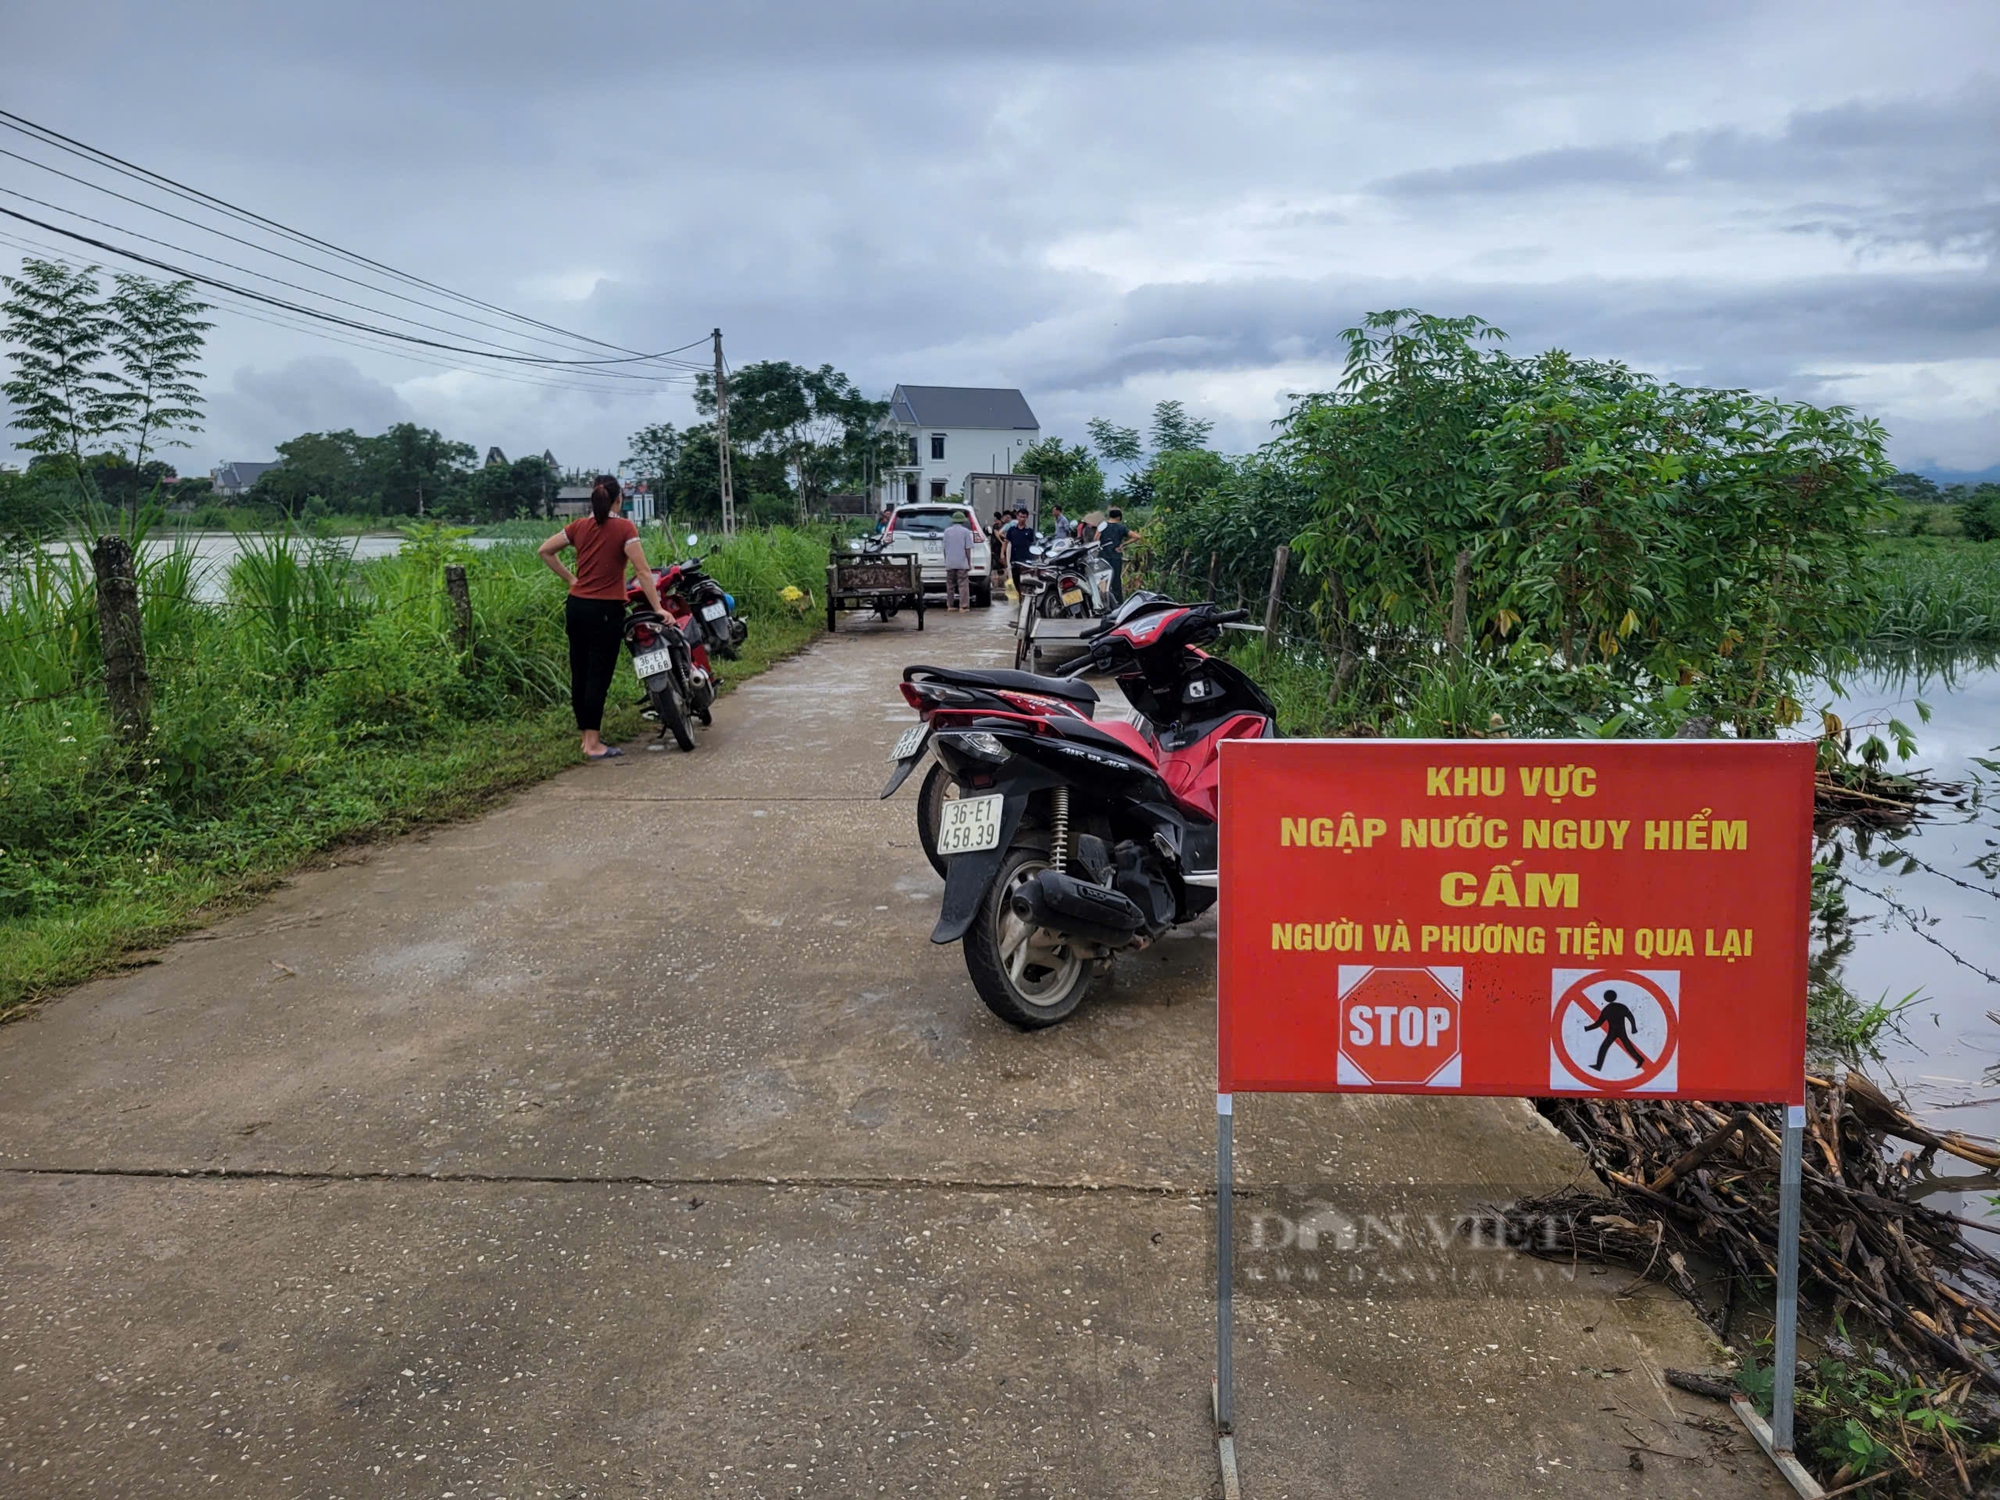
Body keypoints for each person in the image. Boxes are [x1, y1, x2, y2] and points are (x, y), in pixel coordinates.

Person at [538, 475, 666, 761]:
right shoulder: (624, 527)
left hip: (577, 606)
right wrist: (658, 608)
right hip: (605, 611)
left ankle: (587, 738)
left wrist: (572, 579)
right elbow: (643, 572)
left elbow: (545, 551)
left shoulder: (579, 527)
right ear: (618, 499)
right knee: (598, 674)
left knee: (580, 672)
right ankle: (594, 744)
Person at [1584, 989, 1648, 1071]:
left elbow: (1598, 1023)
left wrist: (1587, 1028)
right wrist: (1633, 1028)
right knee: (1626, 1047)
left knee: (1606, 1047)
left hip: (1613, 1032)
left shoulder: (1607, 1009)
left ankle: (1598, 1066)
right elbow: (1630, 1017)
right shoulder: (1621, 1007)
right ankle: (1640, 1059)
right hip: (1619, 1031)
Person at [941, 510, 975, 612]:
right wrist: (969, 563)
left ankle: (950, 606)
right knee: (963, 584)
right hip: (961, 562)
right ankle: (963, 606)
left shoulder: (947, 531)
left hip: (950, 562)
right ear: (963, 521)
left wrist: (946, 560)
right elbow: (967, 549)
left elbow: (944, 548)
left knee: (950, 585)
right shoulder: (965, 532)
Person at [1097, 506, 1132, 604]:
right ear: (1119, 517)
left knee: (1103, 580)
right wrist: (1123, 544)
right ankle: (1118, 602)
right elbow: (1137, 536)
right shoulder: (1122, 527)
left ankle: (1103, 601)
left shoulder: (1103, 525)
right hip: (1116, 557)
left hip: (1103, 556)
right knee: (1116, 580)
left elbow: (1096, 538)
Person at [1006, 506, 1039, 594]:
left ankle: (1025, 596)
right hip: (1014, 559)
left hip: (1026, 560)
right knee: (1015, 580)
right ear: (1017, 517)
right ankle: (1020, 595)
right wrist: (1002, 554)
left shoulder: (1030, 531)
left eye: (1024, 517)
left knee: (1026, 580)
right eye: (1020, 516)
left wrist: (1035, 558)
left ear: (1027, 518)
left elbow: (1033, 545)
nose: (1022, 519)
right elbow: (1006, 542)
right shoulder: (1011, 530)